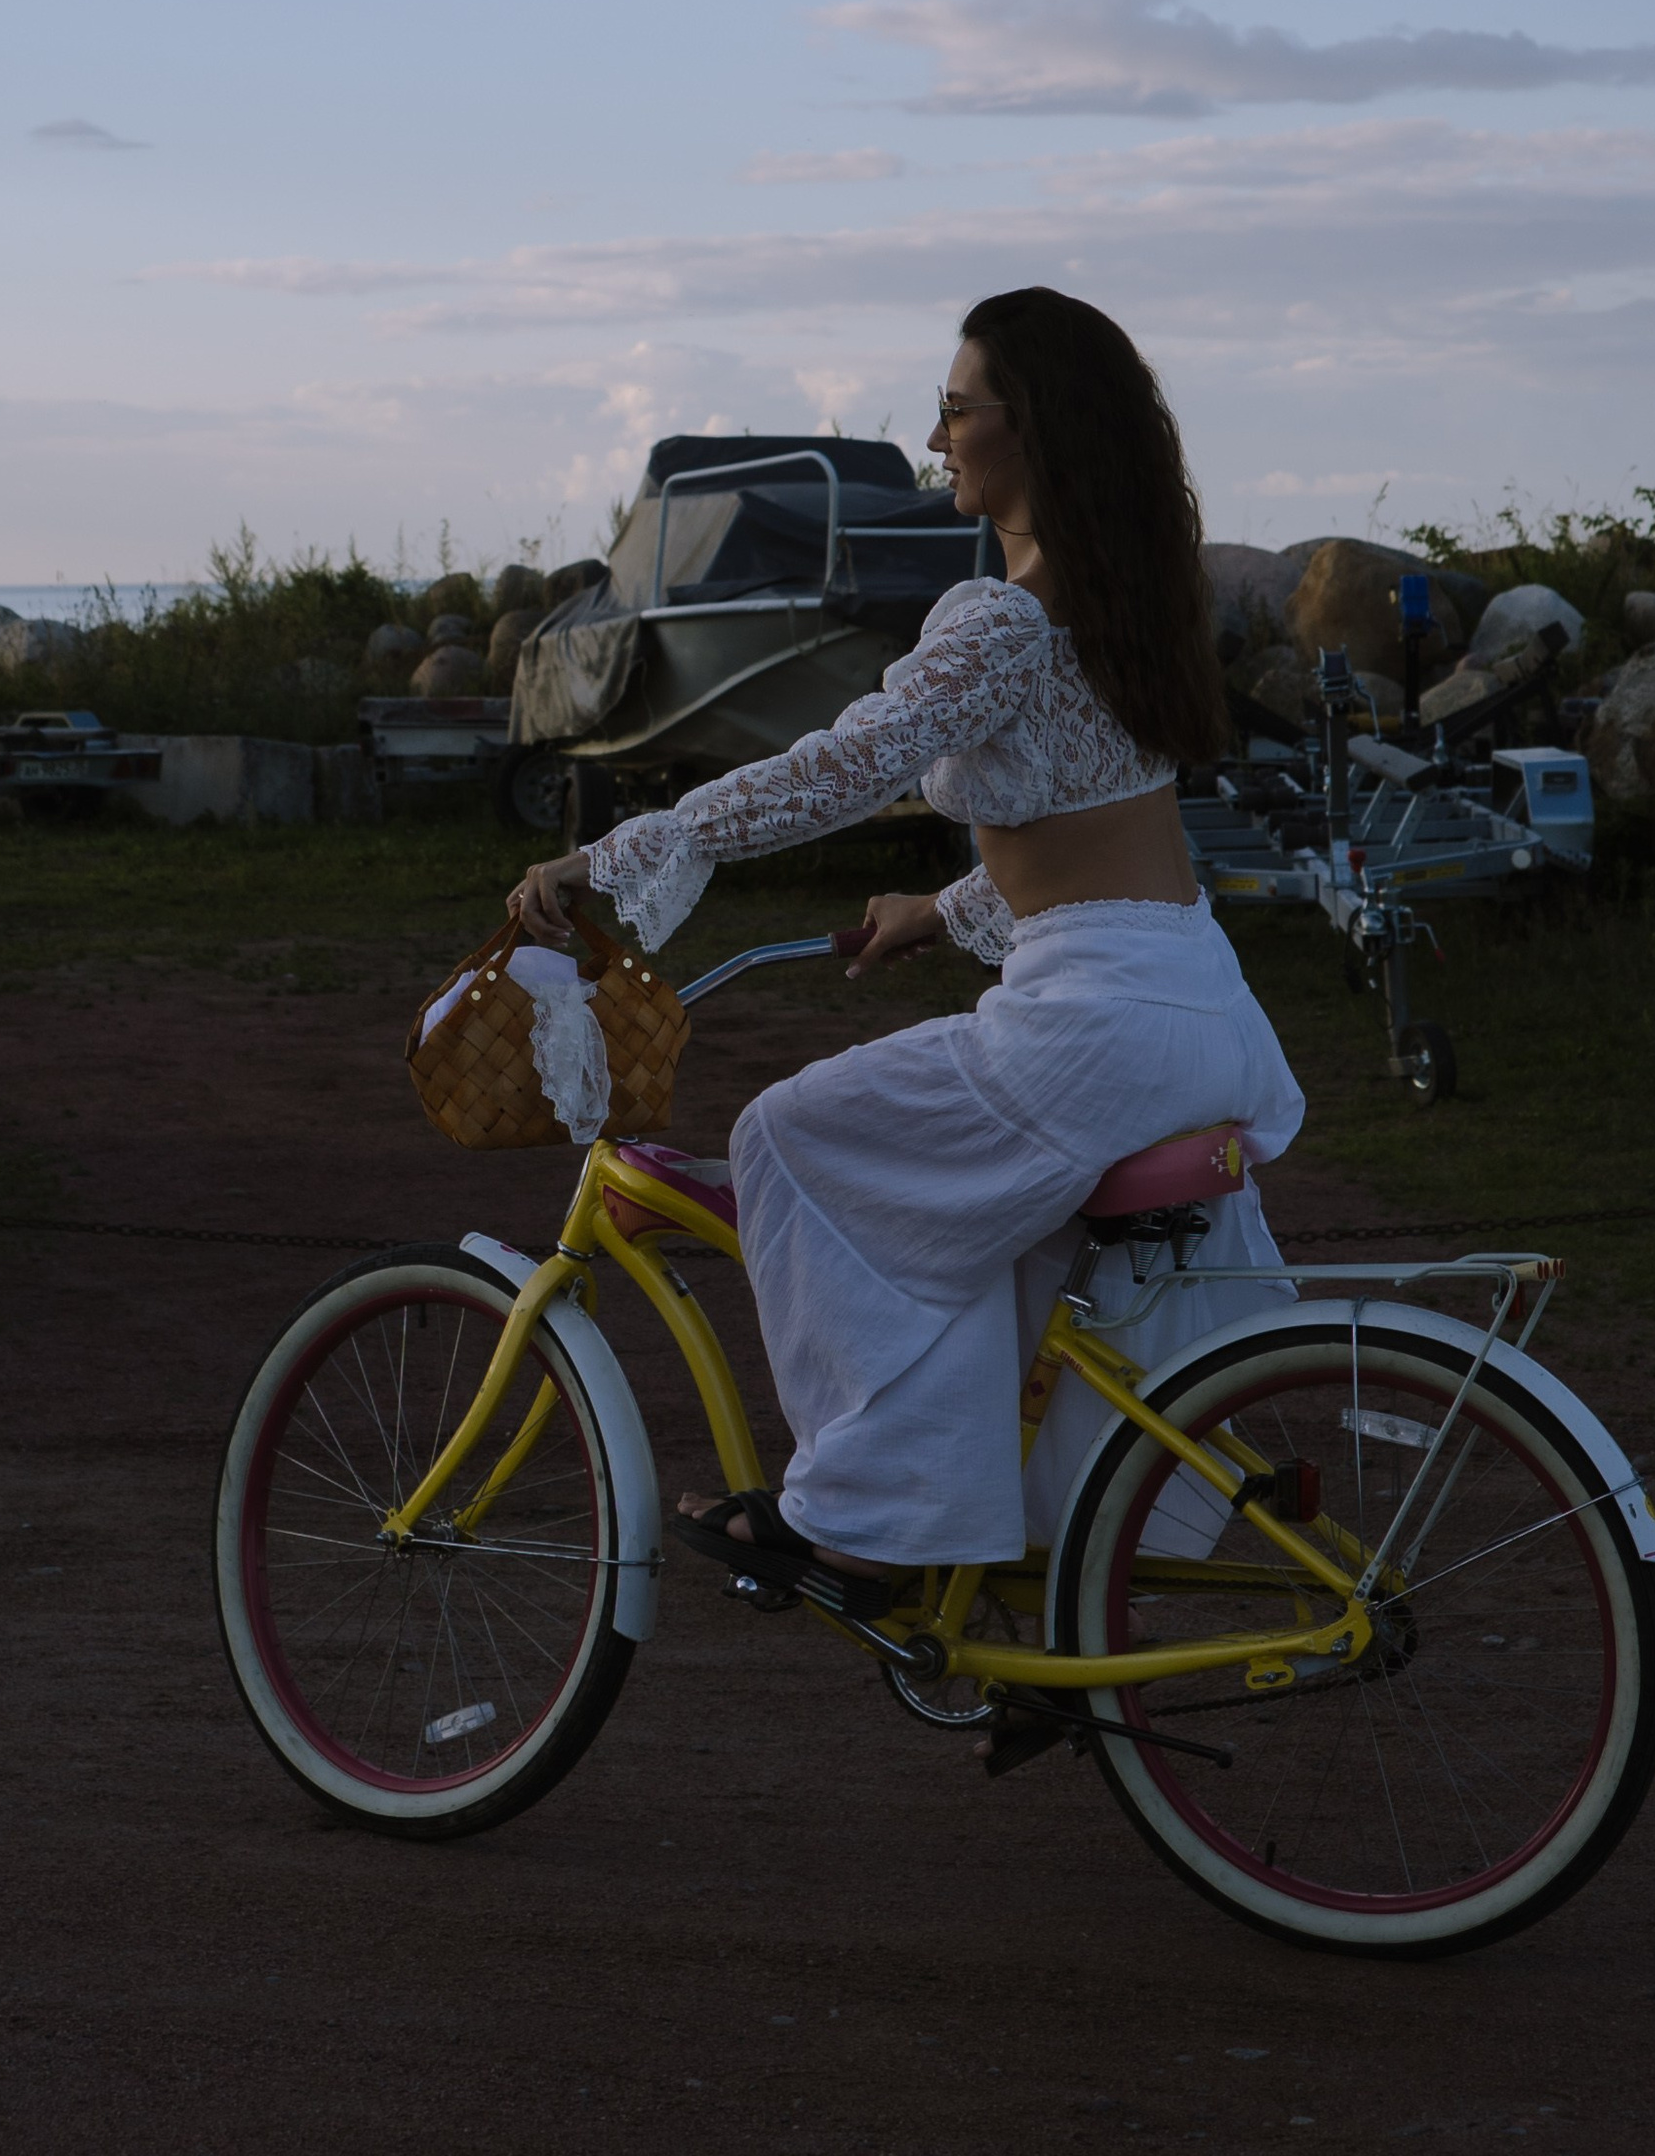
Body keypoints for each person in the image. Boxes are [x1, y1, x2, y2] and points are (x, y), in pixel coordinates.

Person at [506, 286, 1304, 1619]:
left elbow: (843, 765)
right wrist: (946, 913)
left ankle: (866, 1522)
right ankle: (1043, 1588)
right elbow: (1087, 832)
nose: (934, 436)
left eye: (954, 407)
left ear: (1024, 428)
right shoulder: (1122, 609)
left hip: (1093, 1030)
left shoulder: (1000, 620)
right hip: (1196, 1008)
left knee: (787, 1144)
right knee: (1000, 1258)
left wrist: (617, 855)